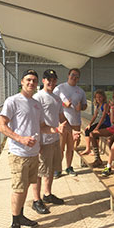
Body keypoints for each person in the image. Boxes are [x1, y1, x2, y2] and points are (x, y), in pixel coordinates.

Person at [0, 69, 68, 228]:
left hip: (33, 153)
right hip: (18, 154)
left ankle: (20, 216)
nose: (31, 83)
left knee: (27, 186)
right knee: (19, 189)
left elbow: (42, 126)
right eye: (28, 79)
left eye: (34, 80)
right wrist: (20, 138)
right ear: (22, 81)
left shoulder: (35, 104)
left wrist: (56, 129)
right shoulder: (12, 101)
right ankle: (15, 224)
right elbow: (2, 125)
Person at [31, 69, 78, 214]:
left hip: (55, 139)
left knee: (51, 169)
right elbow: (34, 121)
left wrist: (73, 130)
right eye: (48, 79)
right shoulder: (38, 97)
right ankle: (36, 200)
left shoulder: (57, 98)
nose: (51, 82)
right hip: (43, 141)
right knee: (39, 172)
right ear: (43, 81)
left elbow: (62, 118)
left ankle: (47, 194)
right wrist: (36, 141)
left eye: (53, 80)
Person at [53, 68, 87, 177]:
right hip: (62, 123)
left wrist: (80, 107)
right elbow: (52, 102)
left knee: (71, 147)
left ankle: (69, 167)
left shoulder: (80, 91)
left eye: (77, 76)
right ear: (68, 75)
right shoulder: (59, 88)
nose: (74, 77)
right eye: (72, 75)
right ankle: (58, 168)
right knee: (60, 148)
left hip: (75, 122)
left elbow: (85, 105)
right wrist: (63, 104)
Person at [90, 85, 114, 167]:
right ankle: (97, 159)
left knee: (110, 140)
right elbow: (112, 121)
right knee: (92, 134)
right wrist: (111, 111)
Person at [80, 89, 111, 155]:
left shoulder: (105, 105)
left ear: (103, 97)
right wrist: (90, 124)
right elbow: (94, 116)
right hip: (100, 123)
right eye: (97, 97)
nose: (98, 99)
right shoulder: (98, 106)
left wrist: (97, 127)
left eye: (100, 97)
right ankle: (88, 149)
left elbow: (103, 117)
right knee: (87, 130)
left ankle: (95, 150)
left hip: (105, 123)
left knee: (95, 132)